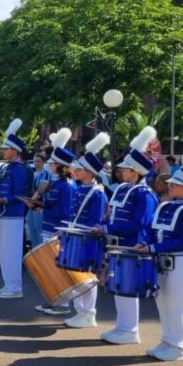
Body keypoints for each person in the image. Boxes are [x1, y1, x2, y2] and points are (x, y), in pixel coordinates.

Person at [132, 145, 183, 361]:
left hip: (180, 261)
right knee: (162, 301)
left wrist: (153, 248)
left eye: (176, 184)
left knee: (176, 303)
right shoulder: (165, 206)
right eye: (172, 183)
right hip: (161, 260)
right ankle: (166, 340)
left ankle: (177, 346)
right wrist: (143, 242)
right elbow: (150, 229)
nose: (171, 185)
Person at [93, 126, 159, 344]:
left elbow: (140, 223)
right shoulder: (123, 188)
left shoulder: (145, 193)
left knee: (127, 287)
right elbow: (110, 213)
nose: (122, 171)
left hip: (132, 245)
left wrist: (107, 229)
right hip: (118, 244)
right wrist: (103, 224)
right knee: (117, 286)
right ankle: (122, 326)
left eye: (126, 169)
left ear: (136, 171)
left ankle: (131, 331)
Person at [62, 132, 110, 329]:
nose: (75, 170)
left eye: (80, 168)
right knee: (74, 276)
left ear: (90, 172)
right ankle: (79, 311)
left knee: (87, 277)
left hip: (88, 240)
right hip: (76, 237)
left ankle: (89, 313)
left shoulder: (97, 193)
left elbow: (95, 220)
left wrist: (78, 230)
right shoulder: (80, 188)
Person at [0, 119, 29, 299]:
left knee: (12, 252)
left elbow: (19, 194)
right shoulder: (5, 167)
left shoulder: (19, 169)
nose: (3, 151)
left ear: (15, 151)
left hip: (13, 216)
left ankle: (16, 287)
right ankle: (8, 284)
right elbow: (2, 190)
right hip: (1, 214)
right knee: (3, 252)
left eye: (6, 149)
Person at [31, 129, 77, 316]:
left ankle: (63, 305)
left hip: (57, 231)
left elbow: (64, 212)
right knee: (53, 269)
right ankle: (55, 301)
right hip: (50, 228)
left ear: (60, 165)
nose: (50, 166)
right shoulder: (59, 184)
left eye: (52, 163)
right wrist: (38, 205)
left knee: (59, 269)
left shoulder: (66, 185)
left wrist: (42, 207)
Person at [26, 153, 51, 248]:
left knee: (39, 231)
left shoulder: (45, 173)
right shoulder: (32, 173)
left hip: (38, 206)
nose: (36, 163)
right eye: (34, 161)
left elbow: (41, 190)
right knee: (32, 231)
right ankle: (34, 254)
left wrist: (30, 200)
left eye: (38, 161)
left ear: (43, 162)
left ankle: (41, 254)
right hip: (30, 205)